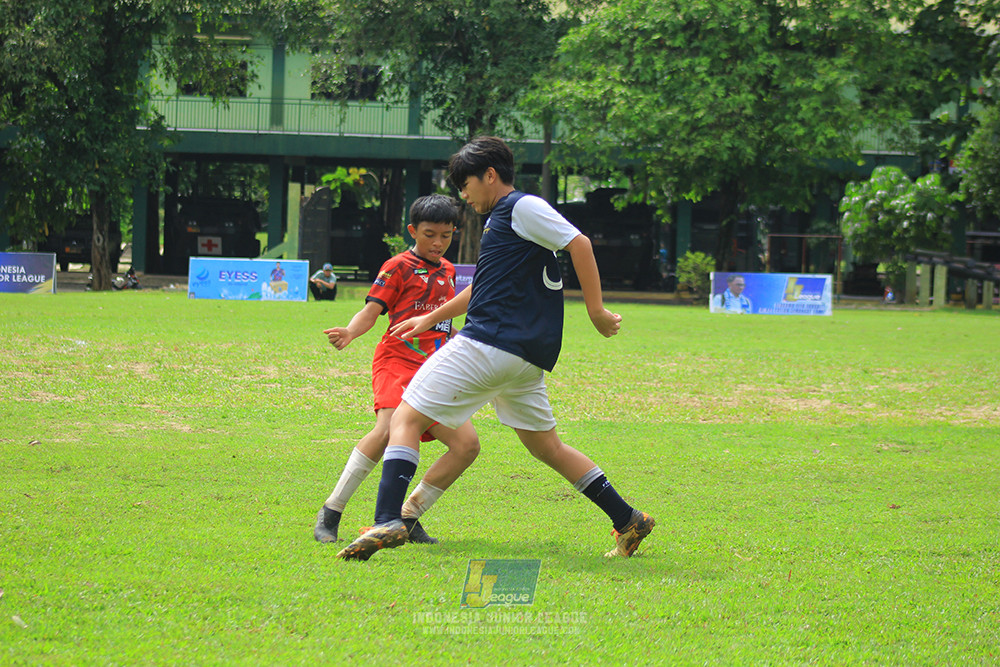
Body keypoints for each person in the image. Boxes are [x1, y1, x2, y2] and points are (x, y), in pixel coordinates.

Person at [336, 136, 654, 561]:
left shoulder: (520, 207)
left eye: (465, 184)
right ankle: (628, 518)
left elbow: (580, 243)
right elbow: (484, 289)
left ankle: (388, 518)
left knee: (407, 415)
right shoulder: (504, 221)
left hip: (490, 342)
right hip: (524, 359)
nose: (463, 195)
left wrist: (595, 310)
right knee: (548, 448)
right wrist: (430, 318)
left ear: (489, 175)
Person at [313, 194, 480, 545]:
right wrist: (350, 331)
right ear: (412, 231)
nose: (438, 243)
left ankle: (409, 517)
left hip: (435, 369)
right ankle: (332, 510)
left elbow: (446, 324)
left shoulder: (450, 271)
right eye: (430, 234)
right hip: (397, 361)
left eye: (446, 236)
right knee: (389, 428)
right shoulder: (397, 266)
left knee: (466, 445)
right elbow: (371, 312)